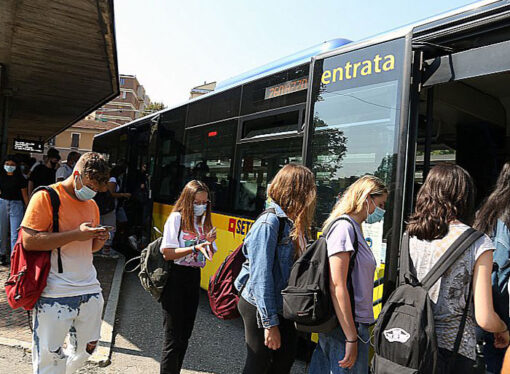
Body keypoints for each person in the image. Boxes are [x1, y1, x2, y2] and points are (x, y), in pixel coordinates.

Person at [407, 164, 509, 372]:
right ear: (464, 197)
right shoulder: (478, 243)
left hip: (412, 342)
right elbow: (485, 317)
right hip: (453, 351)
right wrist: (503, 329)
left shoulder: (409, 237)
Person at [20, 152, 110, 374]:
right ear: (77, 174)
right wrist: (75, 234)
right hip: (55, 291)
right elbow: (29, 241)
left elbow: (89, 249)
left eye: (97, 189)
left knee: (88, 348)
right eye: (90, 185)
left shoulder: (92, 205)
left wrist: (98, 240)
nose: (92, 192)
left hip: (89, 287)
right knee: (49, 359)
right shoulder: (46, 197)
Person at [235, 164, 317, 374]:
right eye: (310, 188)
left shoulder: (295, 222)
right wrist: (270, 324)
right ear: (297, 190)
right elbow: (261, 277)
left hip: (281, 304)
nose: (313, 194)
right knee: (258, 363)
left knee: (284, 359)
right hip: (259, 303)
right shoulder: (270, 222)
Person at [309, 175, 387, 374]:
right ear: (367, 198)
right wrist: (351, 336)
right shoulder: (344, 228)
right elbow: (337, 286)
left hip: (350, 324)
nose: (382, 211)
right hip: (344, 326)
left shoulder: (355, 228)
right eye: (381, 204)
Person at [159, 180, 217, 373]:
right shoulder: (177, 218)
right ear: (187, 200)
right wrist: (194, 247)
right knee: (173, 337)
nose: (201, 206)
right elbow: (167, 252)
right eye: (197, 202)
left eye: (204, 202)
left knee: (185, 335)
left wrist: (208, 243)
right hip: (175, 277)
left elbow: (209, 254)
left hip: (193, 276)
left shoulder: (203, 222)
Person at [474, 161, 510, 373]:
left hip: (486, 311)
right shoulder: (505, 218)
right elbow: (501, 270)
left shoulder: (486, 211)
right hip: (501, 316)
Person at [0, 155, 29, 265]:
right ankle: (2, 253)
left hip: (16, 205)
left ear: (16, 166)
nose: (9, 166)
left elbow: (25, 195)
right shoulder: (1, 176)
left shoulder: (21, 179)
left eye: (12, 165)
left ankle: (14, 257)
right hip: (2, 202)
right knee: (2, 231)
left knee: (15, 234)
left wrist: (28, 209)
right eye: (7, 164)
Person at [101, 165, 131, 257]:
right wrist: (123, 194)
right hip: (109, 207)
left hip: (110, 207)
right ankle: (106, 250)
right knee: (110, 227)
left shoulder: (111, 178)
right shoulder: (113, 179)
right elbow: (111, 193)